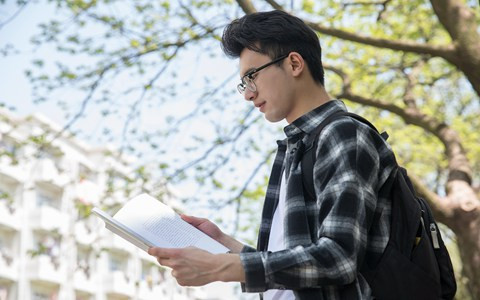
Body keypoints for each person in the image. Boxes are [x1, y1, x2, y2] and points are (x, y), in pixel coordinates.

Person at [148, 10, 397, 299]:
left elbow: (338, 258)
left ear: (293, 63)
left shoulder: (342, 134)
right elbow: (293, 269)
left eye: (251, 77)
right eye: (243, 84)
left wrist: (222, 267)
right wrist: (224, 244)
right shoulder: (296, 149)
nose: (248, 94)